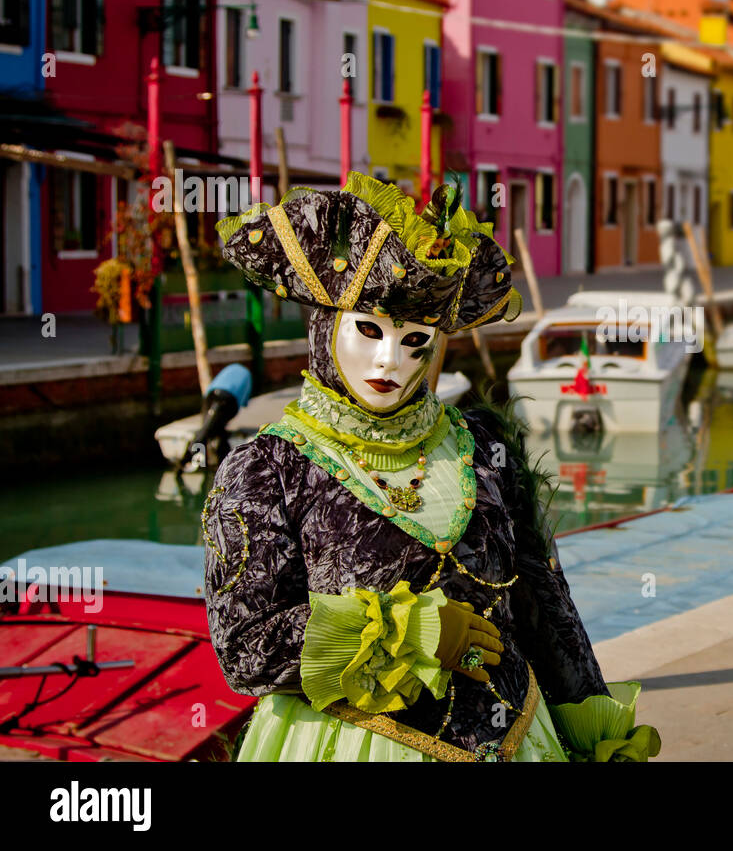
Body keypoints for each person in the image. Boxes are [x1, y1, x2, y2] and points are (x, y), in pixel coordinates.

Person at [203, 173, 660, 762]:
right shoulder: (268, 469)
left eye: (415, 339)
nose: (389, 360)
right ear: (324, 322)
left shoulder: (483, 446)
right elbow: (244, 648)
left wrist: (597, 735)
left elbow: (547, 610)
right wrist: (409, 633)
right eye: (368, 331)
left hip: (519, 738)